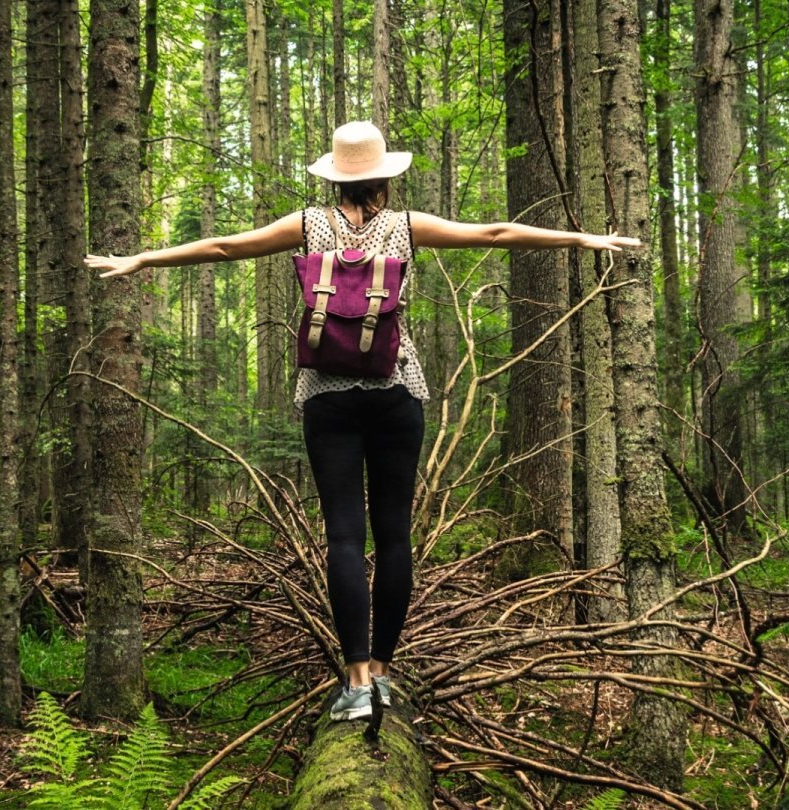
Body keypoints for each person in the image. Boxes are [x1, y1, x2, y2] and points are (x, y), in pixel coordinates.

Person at [86, 121, 640, 722]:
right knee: (395, 535)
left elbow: (222, 247)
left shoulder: (305, 225)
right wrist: (583, 241)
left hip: (327, 395)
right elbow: (496, 232)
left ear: (335, 174)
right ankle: (383, 672)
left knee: (345, 537)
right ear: (384, 175)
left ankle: (353, 682)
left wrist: (141, 259)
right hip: (396, 389)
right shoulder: (405, 227)